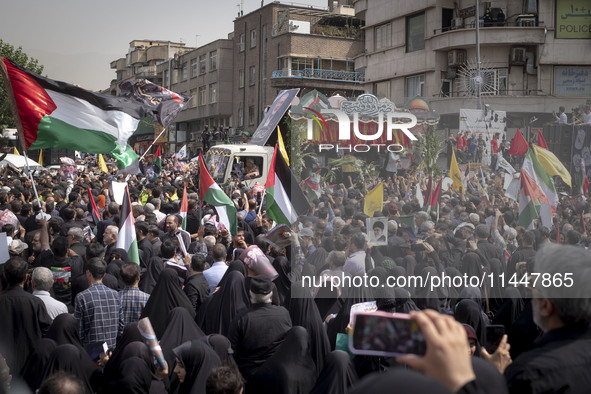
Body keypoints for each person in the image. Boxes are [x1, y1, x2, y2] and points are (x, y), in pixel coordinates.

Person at [504, 244, 591, 392]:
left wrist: (494, 378)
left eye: (534, 289)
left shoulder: (527, 373)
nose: (529, 291)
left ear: (546, 306)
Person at [227, 275, 292, 380]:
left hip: (248, 377)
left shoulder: (241, 319)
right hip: (276, 376)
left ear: (249, 295)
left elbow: (232, 351)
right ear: (271, 295)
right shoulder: (284, 314)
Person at [0, 257, 52, 375]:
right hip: (30, 364)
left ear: (4, 275)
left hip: (4, 366)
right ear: (25, 277)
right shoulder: (35, 302)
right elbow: (47, 330)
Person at [74, 257, 124, 350]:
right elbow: (121, 325)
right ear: (104, 275)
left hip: (90, 351)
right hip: (111, 349)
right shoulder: (115, 295)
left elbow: (79, 330)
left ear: (88, 273)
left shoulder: (82, 297)